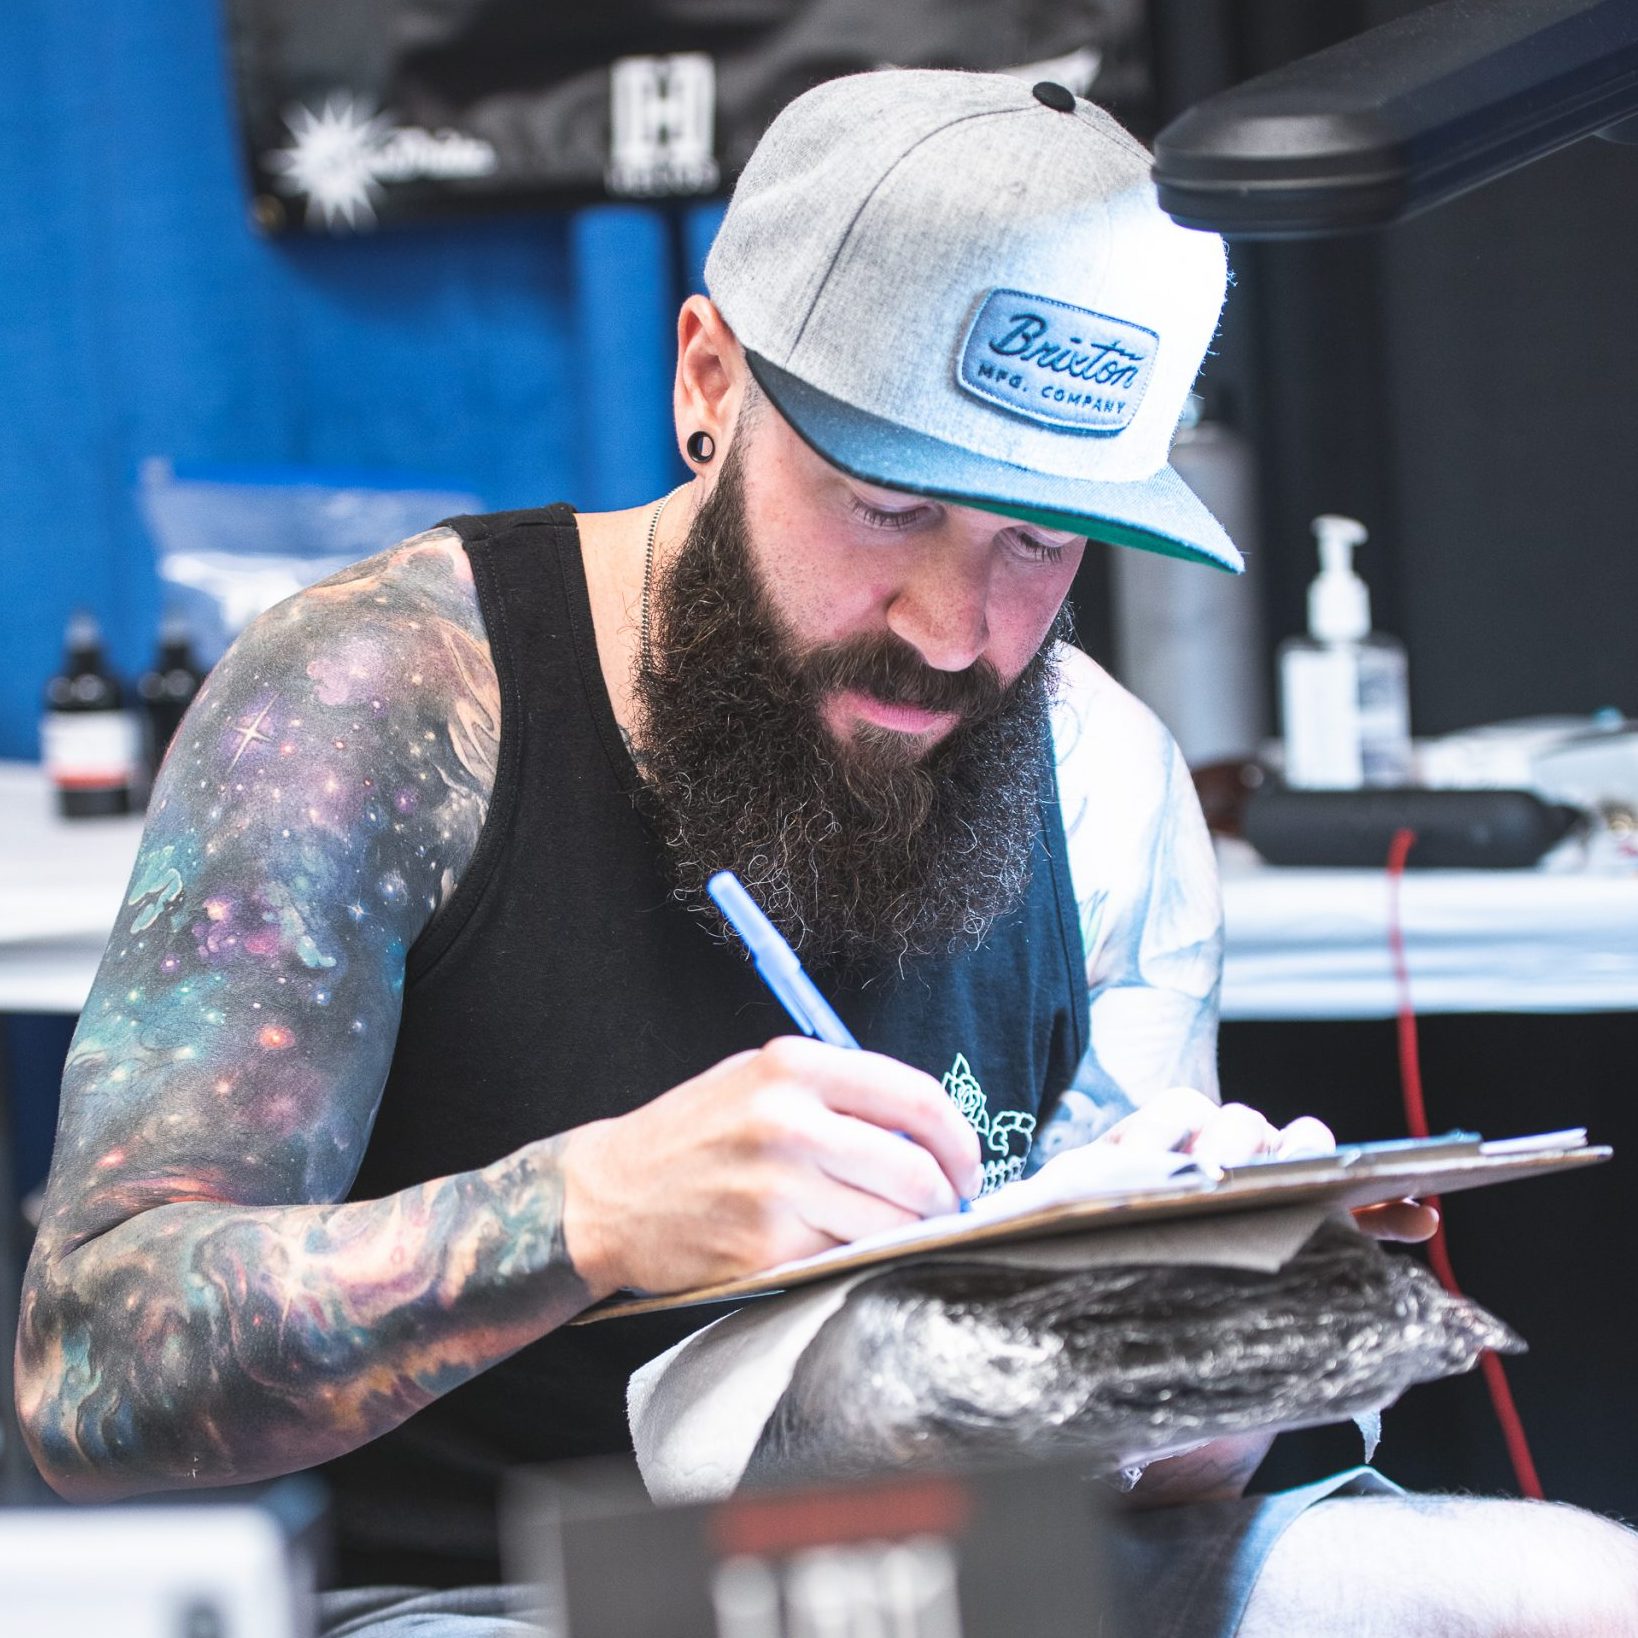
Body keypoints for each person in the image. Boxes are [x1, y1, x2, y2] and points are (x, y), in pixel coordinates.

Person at [15, 68, 1637, 1638]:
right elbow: (90, 1376)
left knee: (1570, 1591)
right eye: (882, 504)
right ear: (708, 384)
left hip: (971, 1576)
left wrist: (1219, 1332)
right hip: (507, 1597)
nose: (954, 631)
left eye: (1038, 536)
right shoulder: (381, 698)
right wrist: (587, 1210)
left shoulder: (1103, 774)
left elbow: (1154, 1492)